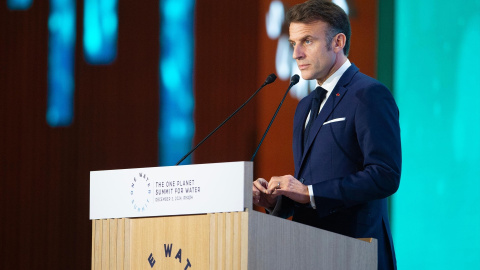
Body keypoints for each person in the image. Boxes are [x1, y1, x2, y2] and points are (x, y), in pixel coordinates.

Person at [252, 1, 401, 269]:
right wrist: (277, 200)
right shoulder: (305, 106)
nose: (296, 53)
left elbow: (384, 175)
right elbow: (311, 187)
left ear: (338, 42)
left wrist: (308, 192)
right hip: (310, 253)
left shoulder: (368, 94)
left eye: (307, 41)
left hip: (357, 250)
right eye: (293, 42)